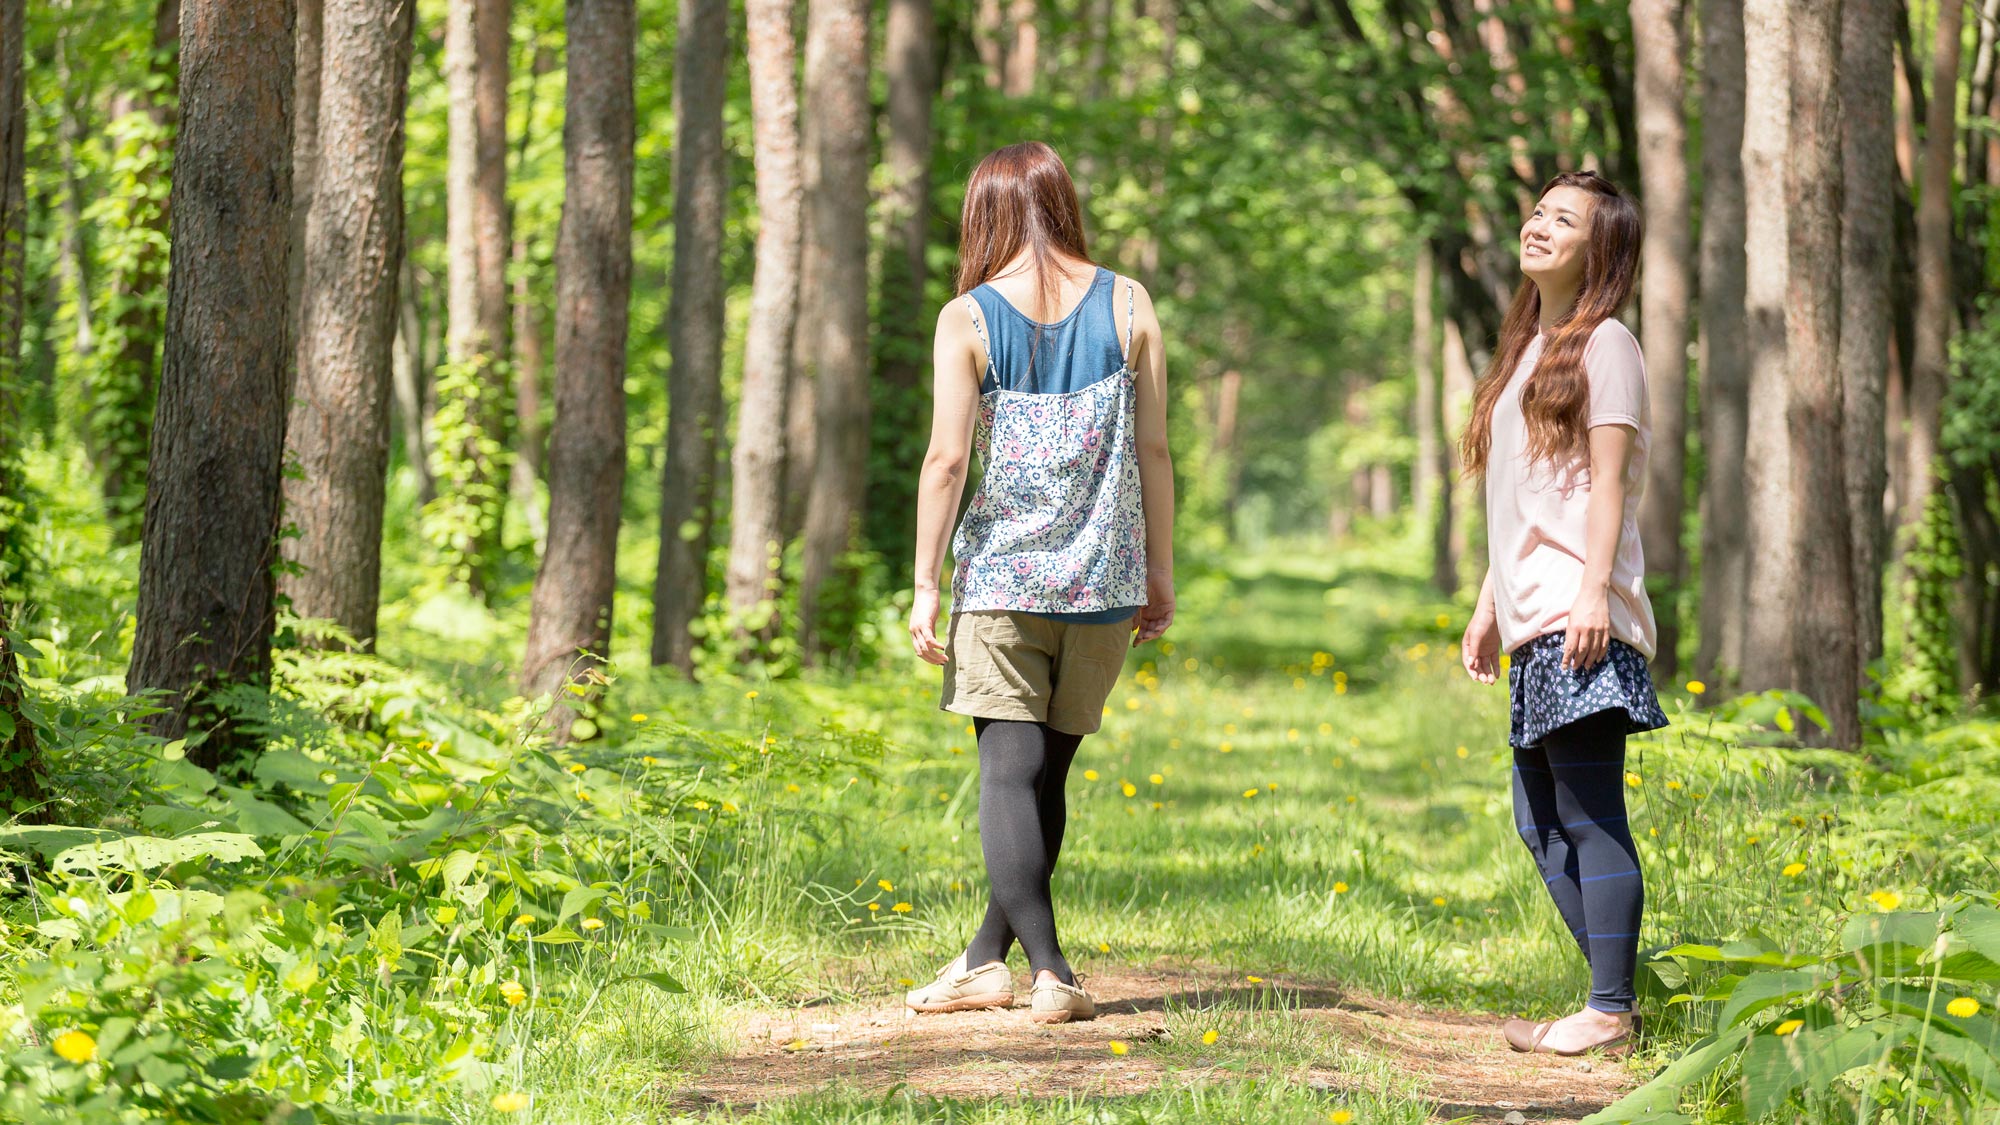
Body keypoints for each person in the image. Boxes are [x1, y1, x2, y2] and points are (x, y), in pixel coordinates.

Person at [905, 141, 1176, 1025]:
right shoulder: (1131, 303)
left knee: (1008, 774)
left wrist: (924, 583)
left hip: (1004, 582)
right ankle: (986, 959)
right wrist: (1160, 572)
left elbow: (947, 460)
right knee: (1042, 775)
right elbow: (1156, 453)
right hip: (1102, 578)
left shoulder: (968, 317)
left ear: (984, 214)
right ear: (1063, 203)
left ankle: (1050, 969)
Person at [1457, 171, 1669, 1056]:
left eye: (1564, 220)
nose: (1539, 226)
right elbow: (1524, 497)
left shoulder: (1607, 345)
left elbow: (1609, 485)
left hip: (1583, 621)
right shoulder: (1526, 351)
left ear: (1600, 250)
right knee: (1537, 820)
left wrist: (1592, 592)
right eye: (1539, 211)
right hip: (1535, 617)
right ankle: (1620, 996)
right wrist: (1488, 603)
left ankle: (1611, 1009)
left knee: (1587, 816)